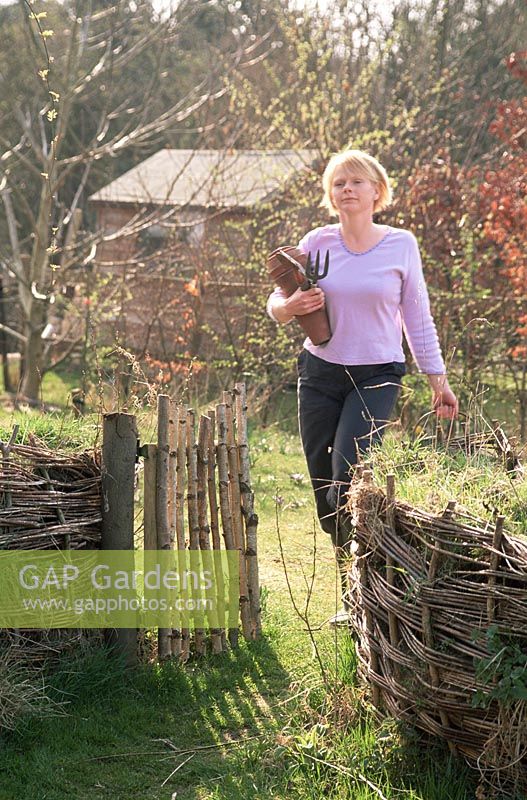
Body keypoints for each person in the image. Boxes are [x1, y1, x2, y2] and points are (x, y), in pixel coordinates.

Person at [266, 150, 459, 598]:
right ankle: (346, 574)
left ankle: (361, 577)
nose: (347, 189)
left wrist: (439, 381)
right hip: (319, 371)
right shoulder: (316, 242)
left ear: (378, 191)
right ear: (330, 196)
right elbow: (276, 301)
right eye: (338, 183)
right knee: (320, 478)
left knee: (347, 473)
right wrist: (288, 308)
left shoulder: (401, 244)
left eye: (356, 181)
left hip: (377, 375)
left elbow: (417, 318)